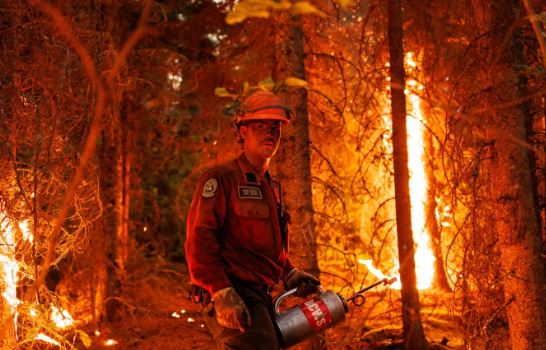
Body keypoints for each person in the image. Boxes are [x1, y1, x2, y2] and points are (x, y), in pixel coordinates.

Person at [185, 90, 320, 349]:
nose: (270, 133)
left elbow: (262, 245)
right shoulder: (221, 179)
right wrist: (220, 290)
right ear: (242, 131)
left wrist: (289, 272)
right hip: (233, 290)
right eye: (260, 125)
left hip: (260, 296)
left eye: (275, 127)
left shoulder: (270, 187)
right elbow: (199, 239)